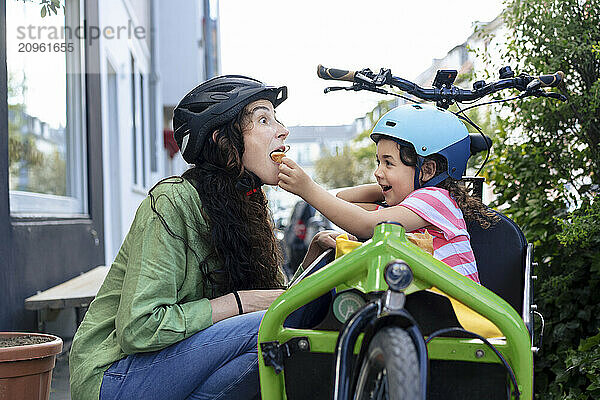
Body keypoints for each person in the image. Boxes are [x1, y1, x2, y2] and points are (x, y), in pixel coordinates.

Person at [69, 75, 339, 400]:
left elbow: (277, 303)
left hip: (180, 367)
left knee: (287, 338)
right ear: (223, 140)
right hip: (116, 376)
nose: (283, 130)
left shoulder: (249, 205)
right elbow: (138, 329)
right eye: (264, 119)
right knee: (273, 332)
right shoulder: (173, 202)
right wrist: (242, 302)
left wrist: (311, 264)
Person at [278, 104, 498, 283]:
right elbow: (344, 200)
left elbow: (365, 224)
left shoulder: (435, 198)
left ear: (428, 170)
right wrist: (392, 187)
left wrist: (307, 188)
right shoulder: (409, 207)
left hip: (459, 314)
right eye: (378, 162)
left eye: (388, 163)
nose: (377, 172)